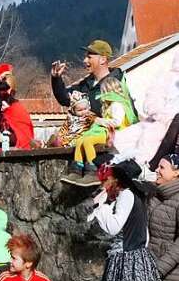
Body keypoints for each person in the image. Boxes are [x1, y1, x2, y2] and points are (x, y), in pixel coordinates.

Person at [54, 40, 138, 184]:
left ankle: (92, 172)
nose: (85, 60)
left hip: (110, 147)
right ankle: (77, 170)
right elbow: (65, 99)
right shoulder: (85, 85)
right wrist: (56, 79)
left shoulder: (116, 85)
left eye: (89, 56)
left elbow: (130, 116)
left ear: (103, 59)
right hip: (91, 135)